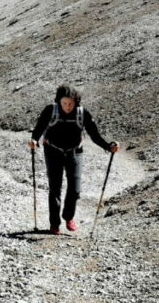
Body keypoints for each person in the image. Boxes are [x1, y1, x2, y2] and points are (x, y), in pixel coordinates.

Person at [28, 85, 118, 234]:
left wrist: (109, 146)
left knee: (75, 189)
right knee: (55, 187)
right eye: (64, 103)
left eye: (70, 103)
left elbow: (94, 135)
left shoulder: (82, 113)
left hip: (75, 152)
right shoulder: (51, 110)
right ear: (59, 101)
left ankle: (68, 216)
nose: (67, 107)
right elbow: (38, 130)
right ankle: (54, 224)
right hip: (53, 151)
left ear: (76, 102)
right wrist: (34, 141)